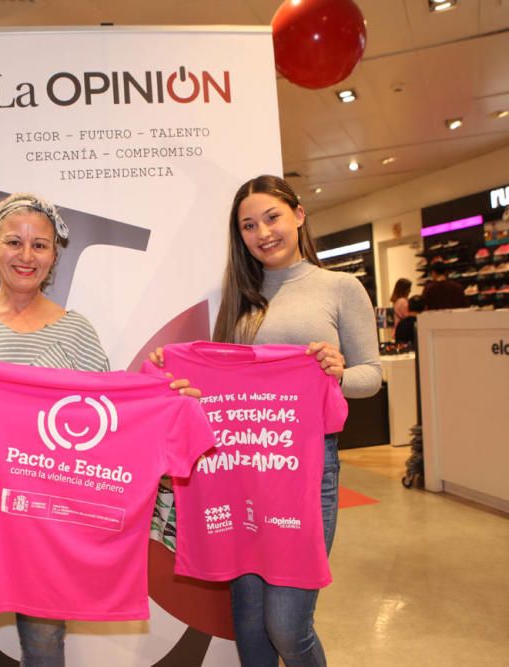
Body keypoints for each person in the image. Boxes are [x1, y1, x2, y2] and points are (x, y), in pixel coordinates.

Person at [0, 192, 196, 667]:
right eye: (14, 242)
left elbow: (110, 421)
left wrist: (163, 401)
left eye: (40, 246)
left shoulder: (76, 332)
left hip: (48, 518)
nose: (26, 256)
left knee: (46, 648)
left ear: (54, 256)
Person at [152, 175, 381, 666]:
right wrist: (171, 376)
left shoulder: (340, 287)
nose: (263, 232)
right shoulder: (238, 299)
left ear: (299, 214)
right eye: (249, 225)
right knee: (250, 626)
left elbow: (373, 377)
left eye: (272, 217)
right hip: (239, 471)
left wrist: (337, 374)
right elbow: (216, 388)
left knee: (287, 625)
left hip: (306, 470)